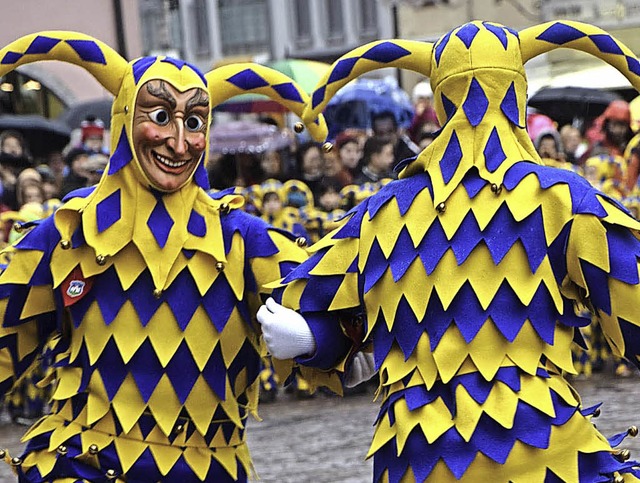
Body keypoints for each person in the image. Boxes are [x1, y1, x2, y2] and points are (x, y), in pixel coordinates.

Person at [259, 20, 640, 482]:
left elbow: (314, 316)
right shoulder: (564, 199)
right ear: (517, 96)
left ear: (441, 105)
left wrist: (311, 337)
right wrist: (312, 335)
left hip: (421, 459)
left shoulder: (382, 211)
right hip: (542, 455)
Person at [0, 30, 341, 482]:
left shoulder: (242, 237)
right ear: (125, 119)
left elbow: (337, 313)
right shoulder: (70, 229)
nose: (180, 143)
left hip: (208, 467)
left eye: (195, 122)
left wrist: (315, 338)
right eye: (160, 117)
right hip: (85, 462)